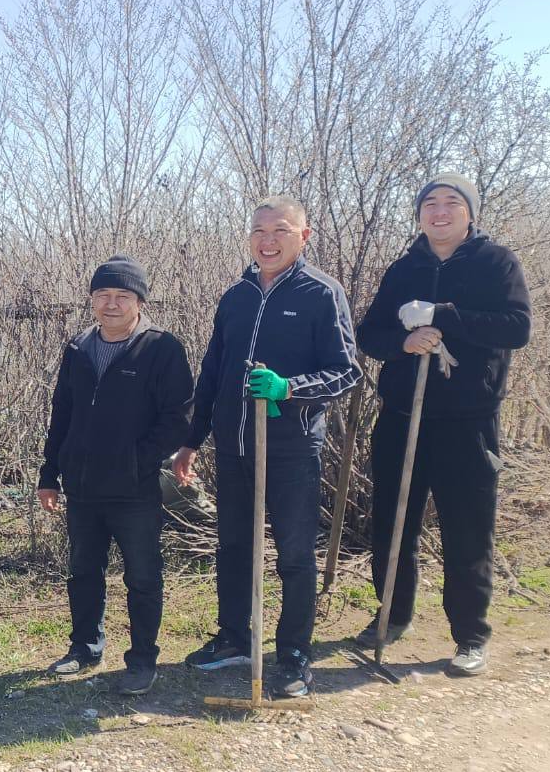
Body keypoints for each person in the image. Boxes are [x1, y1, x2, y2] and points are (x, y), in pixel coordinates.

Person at [172, 196, 360, 697]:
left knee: (295, 554)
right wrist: (192, 441)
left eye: (280, 230)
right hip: (234, 446)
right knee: (233, 546)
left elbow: (346, 371)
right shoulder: (236, 296)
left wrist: (290, 388)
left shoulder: (322, 293)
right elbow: (213, 370)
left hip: (292, 449)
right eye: (259, 230)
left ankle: (295, 653)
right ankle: (234, 636)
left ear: (304, 235)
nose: (268, 240)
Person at [354, 173, 531, 676]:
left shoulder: (497, 264)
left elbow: (516, 328)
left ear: (469, 212)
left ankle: (471, 635)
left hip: (468, 422)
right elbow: (370, 333)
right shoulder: (404, 268)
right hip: (403, 416)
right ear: (419, 215)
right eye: (429, 203)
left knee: (468, 530)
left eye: (451, 202)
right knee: (392, 525)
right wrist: (403, 343)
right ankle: (391, 615)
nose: (439, 211)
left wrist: (444, 315)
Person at [37, 255, 194, 695]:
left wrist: (137, 460)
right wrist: (50, 473)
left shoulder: (161, 348)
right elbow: (61, 415)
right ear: (91, 300)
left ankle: (142, 659)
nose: (111, 304)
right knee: (83, 570)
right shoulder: (78, 348)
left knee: (143, 576)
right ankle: (85, 647)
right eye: (103, 295)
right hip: (83, 486)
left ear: (139, 302)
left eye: (122, 296)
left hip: (134, 488)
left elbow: (178, 417)